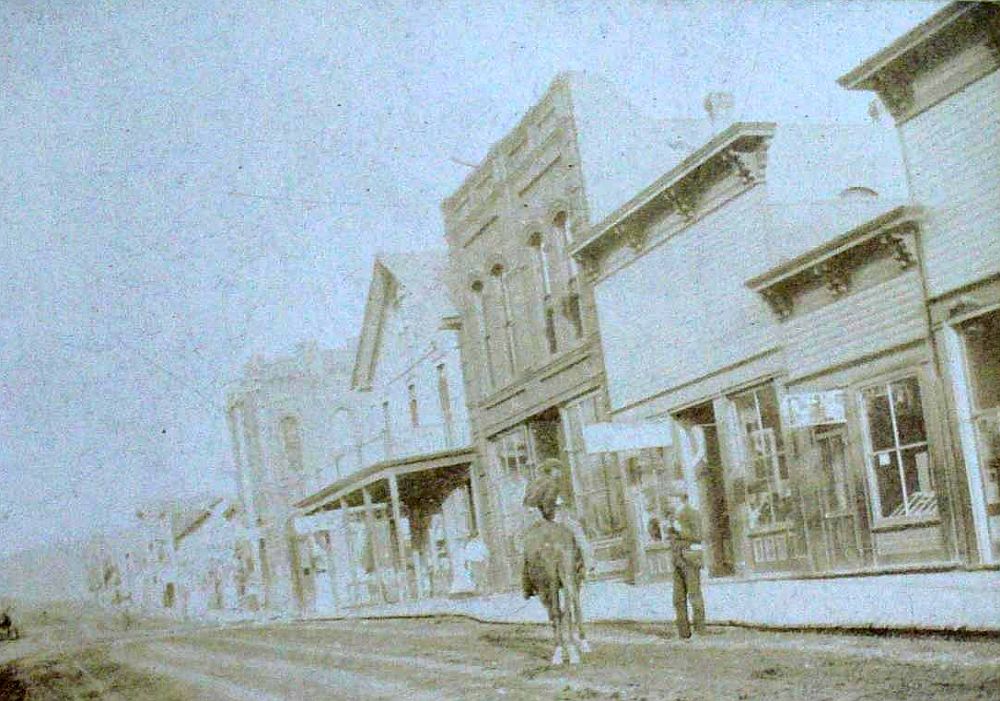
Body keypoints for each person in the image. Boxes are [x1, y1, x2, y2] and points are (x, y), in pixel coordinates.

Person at [523, 458, 594, 575]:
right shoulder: (552, 483)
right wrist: (551, 517)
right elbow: (549, 504)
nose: (560, 473)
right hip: (553, 516)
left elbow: (526, 503)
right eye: (558, 470)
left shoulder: (532, 484)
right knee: (578, 531)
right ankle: (589, 563)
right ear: (553, 470)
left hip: (535, 519)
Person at [664, 493, 706, 639]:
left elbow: (699, 536)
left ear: (681, 499)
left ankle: (699, 631)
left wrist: (678, 529)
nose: (669, 501)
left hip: (689, 559)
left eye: (672, 498)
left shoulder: (692, 513)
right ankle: (683, 633)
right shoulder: (672, 517)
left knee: (694, 595)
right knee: (678, 598)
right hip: (676, 560)